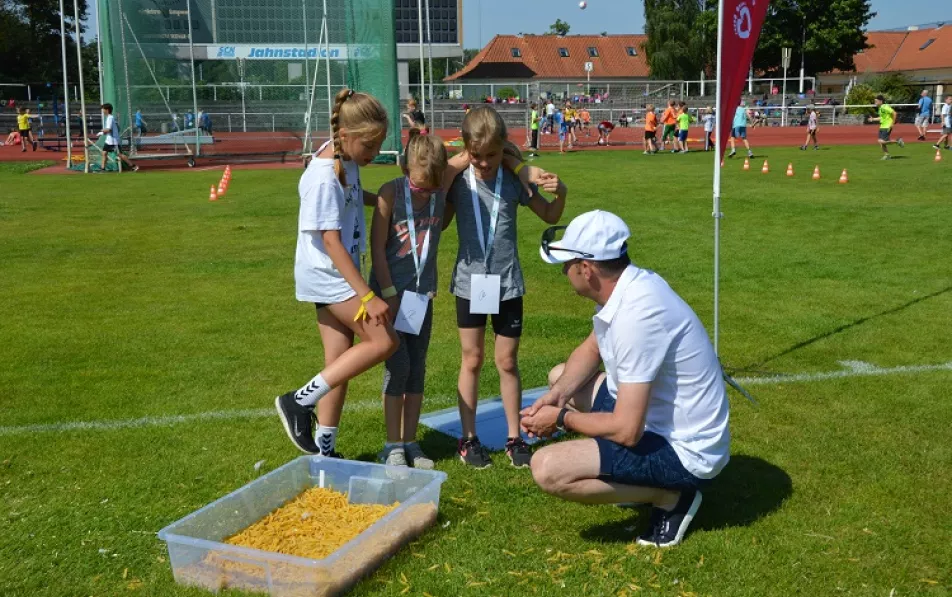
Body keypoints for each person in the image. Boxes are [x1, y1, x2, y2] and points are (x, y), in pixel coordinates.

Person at [521, 210, 730, 548]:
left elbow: (627, 430)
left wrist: (559, 418)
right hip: (657, 421)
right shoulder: (632, 284)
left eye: (567, 264)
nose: (563, 271)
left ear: (586, 269)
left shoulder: (638, 315)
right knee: (560, 377)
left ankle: (671, 496)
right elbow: (592, 348)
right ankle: (638, 483)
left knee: (547, 468)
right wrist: (556, 397)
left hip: (686, 451)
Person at [275, 89, 400, 457]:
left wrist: (380, 200)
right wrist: (367, 295)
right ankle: (298, 401)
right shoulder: (323, 177)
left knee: (338, 364)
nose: (375, 152)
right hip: (329, 278)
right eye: (370, 145)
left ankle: (324, 450)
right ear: (345, 135)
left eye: (379, 144)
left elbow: (351, 195)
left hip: (335, 275)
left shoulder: (346, 159)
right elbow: (330, 241)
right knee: (384, 341)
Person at [446, 106, 567, 469]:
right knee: (472, 359)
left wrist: (560, 192)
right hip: (470, 283)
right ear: (466, 149)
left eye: (493, 155)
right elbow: (436, 216)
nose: (484, 163)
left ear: (504, 150)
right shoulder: (458, 181)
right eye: (477, 155)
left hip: (507, 283)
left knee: (507, 361)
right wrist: (455, 167)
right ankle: (468, 439)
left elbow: (550, 215)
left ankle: (515, 437)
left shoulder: (513, 180)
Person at [370, 131, 450, 469]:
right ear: (404, 170)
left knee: (417, 369)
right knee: (398, 366)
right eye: (420, 188)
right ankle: (392, 445)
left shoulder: (439, 189)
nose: (426, 194)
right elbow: (377, 249)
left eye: (433, 188)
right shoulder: (390, 193)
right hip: (389, 296)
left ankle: (411, 441)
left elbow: (468, 155)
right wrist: (388, 293)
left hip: (421, 296)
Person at [98, 104, 138, 172]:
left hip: (113, 141)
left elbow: (108, 129)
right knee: (104, 153)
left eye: (103, 109)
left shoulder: (110, 118)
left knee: (120, 154)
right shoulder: (110, 118)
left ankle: (133, 166)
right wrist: (103, 133)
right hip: (108, 140)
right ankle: (103, 169)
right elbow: (112, 129)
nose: (102, 111)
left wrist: (101, 131)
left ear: (107, 110)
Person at [870, 94, 904, 160]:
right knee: (880, 142)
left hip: (887, 126)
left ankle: (898, 141)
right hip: (882, 126)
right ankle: (887, 155)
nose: (875, 102)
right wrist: (873, 119)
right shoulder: (880, 108)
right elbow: (882, 118)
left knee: (882, 141)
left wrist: (892, 123)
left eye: (876, 101)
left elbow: (894, 113)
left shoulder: (885, 106)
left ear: (881, 101)